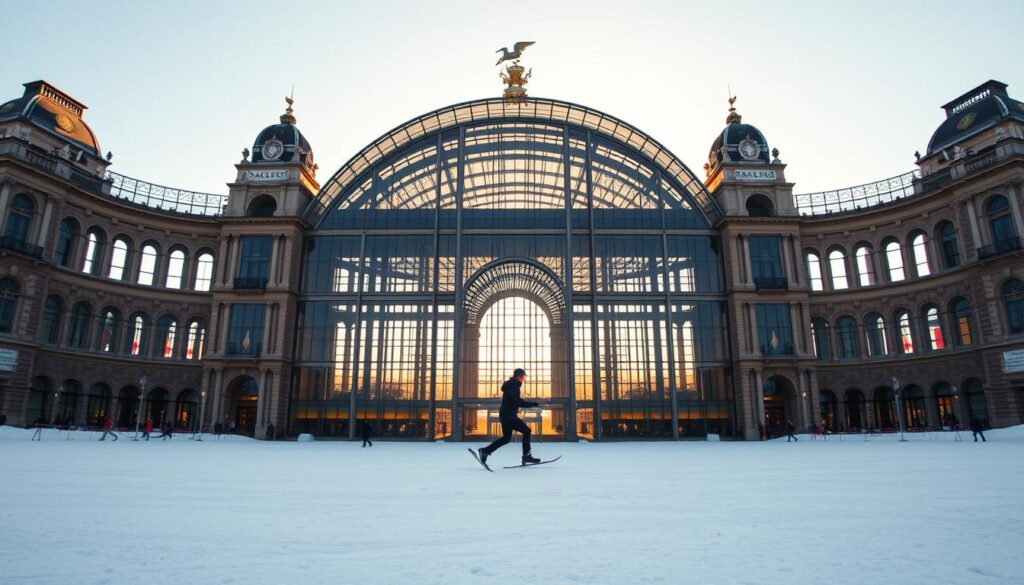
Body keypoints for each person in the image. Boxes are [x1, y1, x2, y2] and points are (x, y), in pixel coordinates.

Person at [478, 368, 541, 465]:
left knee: (506, 438)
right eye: (523, 377)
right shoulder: (513, 386)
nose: (524, 379)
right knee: (526, 431)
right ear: (519, 376)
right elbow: (517, 401)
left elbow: (515, 400)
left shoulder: (511, 385)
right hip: (509, 416)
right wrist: (532, 404)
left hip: (506, 415)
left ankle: (485, 451)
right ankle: (526, 456)